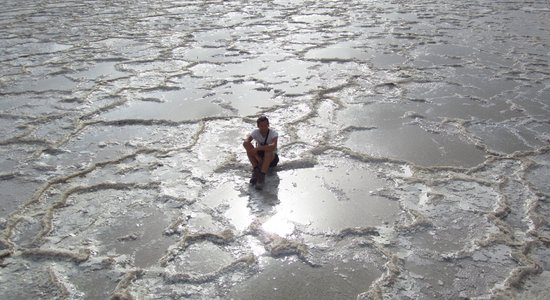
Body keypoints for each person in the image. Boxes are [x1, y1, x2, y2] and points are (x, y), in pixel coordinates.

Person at [243, 115, 279, 189]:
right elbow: (246, 142)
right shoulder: (255, 132)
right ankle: (256, 169)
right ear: (258, 126)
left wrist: (258, 148)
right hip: (260, 156)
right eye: (261, 126)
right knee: (247, 146)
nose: (264, 128)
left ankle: (262, 176)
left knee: (268, 151)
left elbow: (273, 146)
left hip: (271, 158)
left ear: (268, 125)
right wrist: (257, 156)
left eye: (265, 125)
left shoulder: (273, 133)